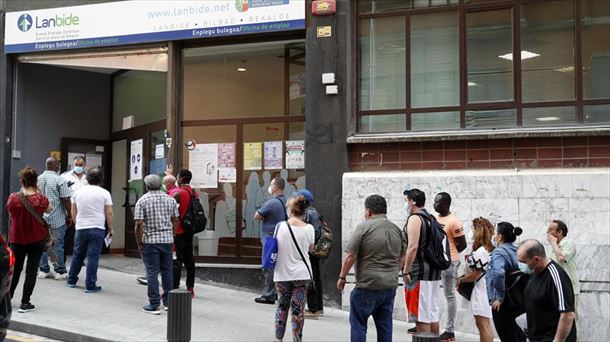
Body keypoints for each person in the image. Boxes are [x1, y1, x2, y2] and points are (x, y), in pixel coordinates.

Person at [337, 195, 406, 342]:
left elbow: (351, 256)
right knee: (385, 327)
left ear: (368, 211)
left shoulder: (363, 227)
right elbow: (402, 257)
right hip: (389, 287)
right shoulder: (397, 230)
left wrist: (342, 277)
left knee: (358, 325)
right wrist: (394, 272)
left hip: (367, 285)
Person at [6, 167, 52, 313]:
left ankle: (7, 299)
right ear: (36, 181)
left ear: (21, 180)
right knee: (31, 271)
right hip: (36, 239)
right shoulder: (41, 199)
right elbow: (49, 210)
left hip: (17, 239)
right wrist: (38, 192)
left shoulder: (13, 198)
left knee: (15, 271)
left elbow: (10, 211)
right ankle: (25, 303)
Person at [134, 175, 179, 315]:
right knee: (167, 271)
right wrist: (173, 235)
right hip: (167, 240)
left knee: (152, 272)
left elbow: (139, 224)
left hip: (150, 241)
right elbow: (175, 220)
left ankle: (154, 304)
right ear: (161, 185)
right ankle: (168, 302)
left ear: (147, 186)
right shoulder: (170, 199)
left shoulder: (142, 201)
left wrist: (139, 242)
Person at [273, 195, 315, 342]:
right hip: (302, 274)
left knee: (282, 307)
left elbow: (275, 246)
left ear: (290, 210)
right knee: (298, 311)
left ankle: (278, 339)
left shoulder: (280, 226)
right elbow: (311, 249)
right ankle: (297, 340)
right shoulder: (309, 228)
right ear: (303, 211)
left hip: (282, 274)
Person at [517, 239, 577, 342]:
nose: (521, 265)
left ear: (536, 259)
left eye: (523, 262)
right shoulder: (535, 272)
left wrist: (558, 340)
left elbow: (567, 314)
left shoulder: (555, 275)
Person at [66, 168, 113, 293]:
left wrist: (77, 223)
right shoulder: (105, 193)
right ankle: (90, 285)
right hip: (97, 227)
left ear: (87, 178)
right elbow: (109, 212)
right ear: (101, 179)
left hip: (81, 227)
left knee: (77, 255)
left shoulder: (77, 192)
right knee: (93, 257)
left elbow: (73, 211)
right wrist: (110, 228)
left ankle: (71, 280)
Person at [402, 188, 441, 335]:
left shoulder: (415, 218)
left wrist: (406, 270)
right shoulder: (431, 218)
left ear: (412, 202)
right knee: (432, 314)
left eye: (406, 201)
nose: (406, 205)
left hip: (419, 273)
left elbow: (412, 247)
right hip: (433, 272)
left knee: (421, 316)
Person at [433, 192, 466, 341]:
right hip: (437, 262)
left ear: (445, 203)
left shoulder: (454, 221)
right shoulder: (434, 219)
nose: (435, 205)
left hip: (450, 262)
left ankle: (450, 330)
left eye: (437, 202)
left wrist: (449, 255)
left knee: (449, 295)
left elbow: (463, 244)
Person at [456, 217, 494, 342]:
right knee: (483, 323)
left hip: (481, 290)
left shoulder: (480, 251)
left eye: (472, 228)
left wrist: (461, 280)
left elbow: (476, 274)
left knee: (482, 324)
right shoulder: (484, 250)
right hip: (482, 289)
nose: (470, 231)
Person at [487, 221, 526, 342]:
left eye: (494, 233)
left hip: (503, 304)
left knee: (507, 336)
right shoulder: (518, 250)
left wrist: (499, 297)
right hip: (518, 299)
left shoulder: (499, 252)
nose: (493, 236)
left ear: (499, 237)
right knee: (517, 334)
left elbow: (498, 273)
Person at [37, 157, 72, 280]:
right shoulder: (59, 180)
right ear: (56, 166)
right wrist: (70, 215)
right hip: (57, 217)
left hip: (40, 218)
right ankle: (60, 272)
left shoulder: (38, 179)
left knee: (42, 244)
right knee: (58, 244)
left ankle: (43, 270)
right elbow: (66, 200)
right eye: (58, 165)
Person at [254, 176, 287, 304]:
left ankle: (268, 295)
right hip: (280, 238)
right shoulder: (285, 201)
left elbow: (257, 216)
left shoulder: (271, 202)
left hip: (270, 240)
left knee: (268, 267)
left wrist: (263, 216)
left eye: (271, 184)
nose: (270, 187)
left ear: (275, 187)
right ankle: (277, 293)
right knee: (278, 266)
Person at [295, 189, 325, 319]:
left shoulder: (310, 213)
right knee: (315, 278)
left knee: (311, 279)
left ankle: (313, 309)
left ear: (303, 199)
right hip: (312, 251)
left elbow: (316, 233)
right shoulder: (312, 212)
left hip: (310, 251)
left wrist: (308, 244)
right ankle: (317, 308)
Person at [170, 169, 197, 297]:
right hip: (189, 230)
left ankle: (174, 286)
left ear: (180, 179)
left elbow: (170, 210)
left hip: (179, 230)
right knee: (189, 258)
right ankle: (190, 287)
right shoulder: (193, 193)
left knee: (177, 259)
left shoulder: (178, 193)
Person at [547, 219, 580, 316]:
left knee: (571, 318)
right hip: (556, 287)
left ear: (560, 232)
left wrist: (553, 243)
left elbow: (561, 258)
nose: (547, 233)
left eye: (550, 230)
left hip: (569, 288)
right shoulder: (554, 247)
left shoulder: (569, 243)